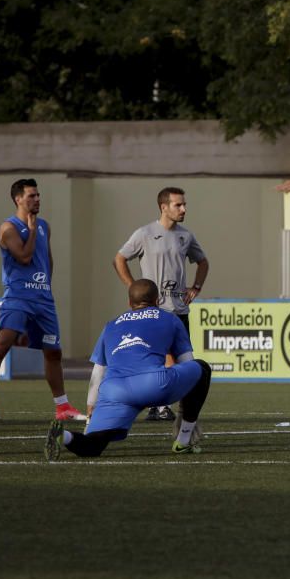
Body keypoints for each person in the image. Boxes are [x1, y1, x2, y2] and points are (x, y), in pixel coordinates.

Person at [45, 279, 212, 460]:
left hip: (114, 391)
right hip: (154, 384)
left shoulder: (111, 325)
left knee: (94, 444)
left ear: (129, 303)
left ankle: (66, 436)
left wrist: (91, 408)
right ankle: (184, 441)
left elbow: (98, 371)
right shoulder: (170, 318)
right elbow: (187, 362)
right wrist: (187, 412)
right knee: (202, 368)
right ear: (157, 301)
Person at [0, 178, 85, 422]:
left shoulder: (45, 225)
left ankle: (63, 407)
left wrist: (46, 286)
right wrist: (33, 229)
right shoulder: (8, 228)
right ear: (18, 199)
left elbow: (47, 260)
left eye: (38, 195)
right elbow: (24, 257)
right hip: (18, 296)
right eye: (31, 196)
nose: (37, 199)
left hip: (43, 299)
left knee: (53, 352)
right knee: (2, 345)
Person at [114, 187, 208, 421]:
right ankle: (159, 406)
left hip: (179, 308)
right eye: (178, 205)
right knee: (162, 356)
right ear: (163, 207)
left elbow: (203, 262)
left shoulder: (185, 236)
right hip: (153, 310)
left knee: (182, 359)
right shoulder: (144, 233)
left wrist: (195, 287)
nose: (184, 209)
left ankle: (170, 407)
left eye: (184, 204)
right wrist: (133, 288)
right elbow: (119, 259)